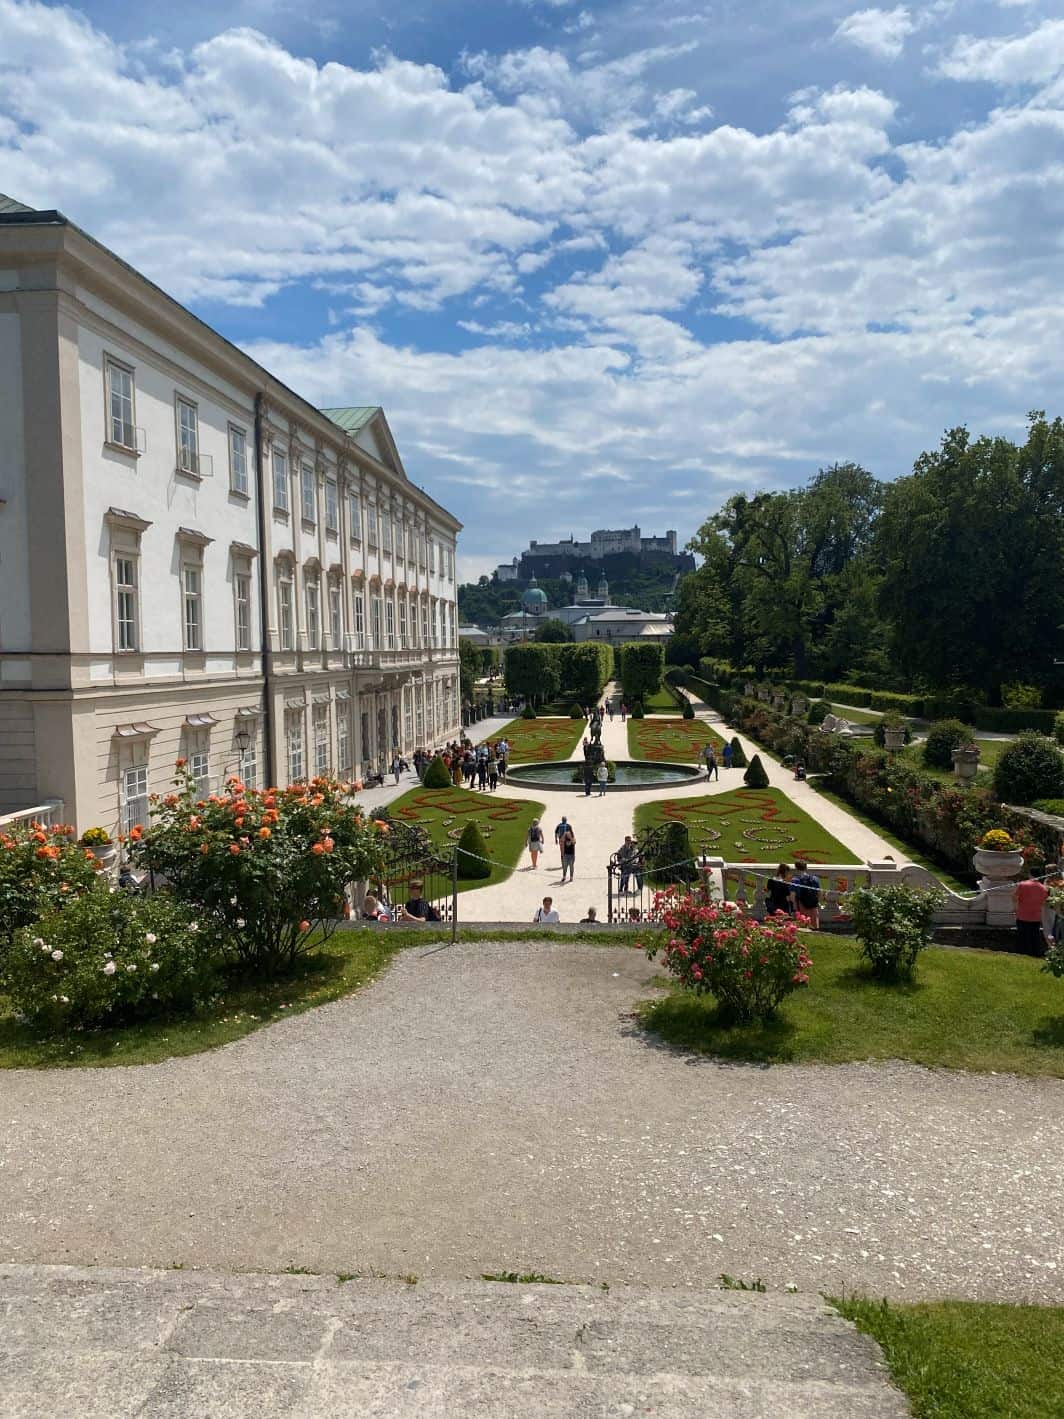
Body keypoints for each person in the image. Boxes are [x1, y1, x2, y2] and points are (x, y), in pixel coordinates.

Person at [1013, 869, 1049, 954]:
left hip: (1022, 914)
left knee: (1022, 936)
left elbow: (1015, 898)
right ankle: (1035, 952)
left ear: (1030, 875)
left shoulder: (1022, 885)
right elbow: (1044, 902)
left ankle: (1022, 952)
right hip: (1036, 916)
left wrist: (1015, 909)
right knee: (1035, 936)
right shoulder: (1044, 888)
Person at [791, 859, 821, 929]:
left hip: (801, 907)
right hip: (813, 907)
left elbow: (792, 897)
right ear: (806, 867)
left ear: (796, 868)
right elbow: (819, 894)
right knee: (814, 929)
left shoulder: (795, 880)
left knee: (802, 929)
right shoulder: (814, 879)